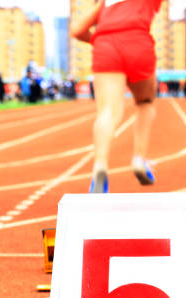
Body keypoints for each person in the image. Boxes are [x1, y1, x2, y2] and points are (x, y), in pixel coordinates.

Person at [70, 0, 164, 193]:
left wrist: (98, 39)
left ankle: (100, 167)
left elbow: (77, 29)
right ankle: (139, 159)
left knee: (108, 112)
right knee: (145, 103)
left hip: (106, 46)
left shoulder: (105, 3)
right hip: (138, 42)